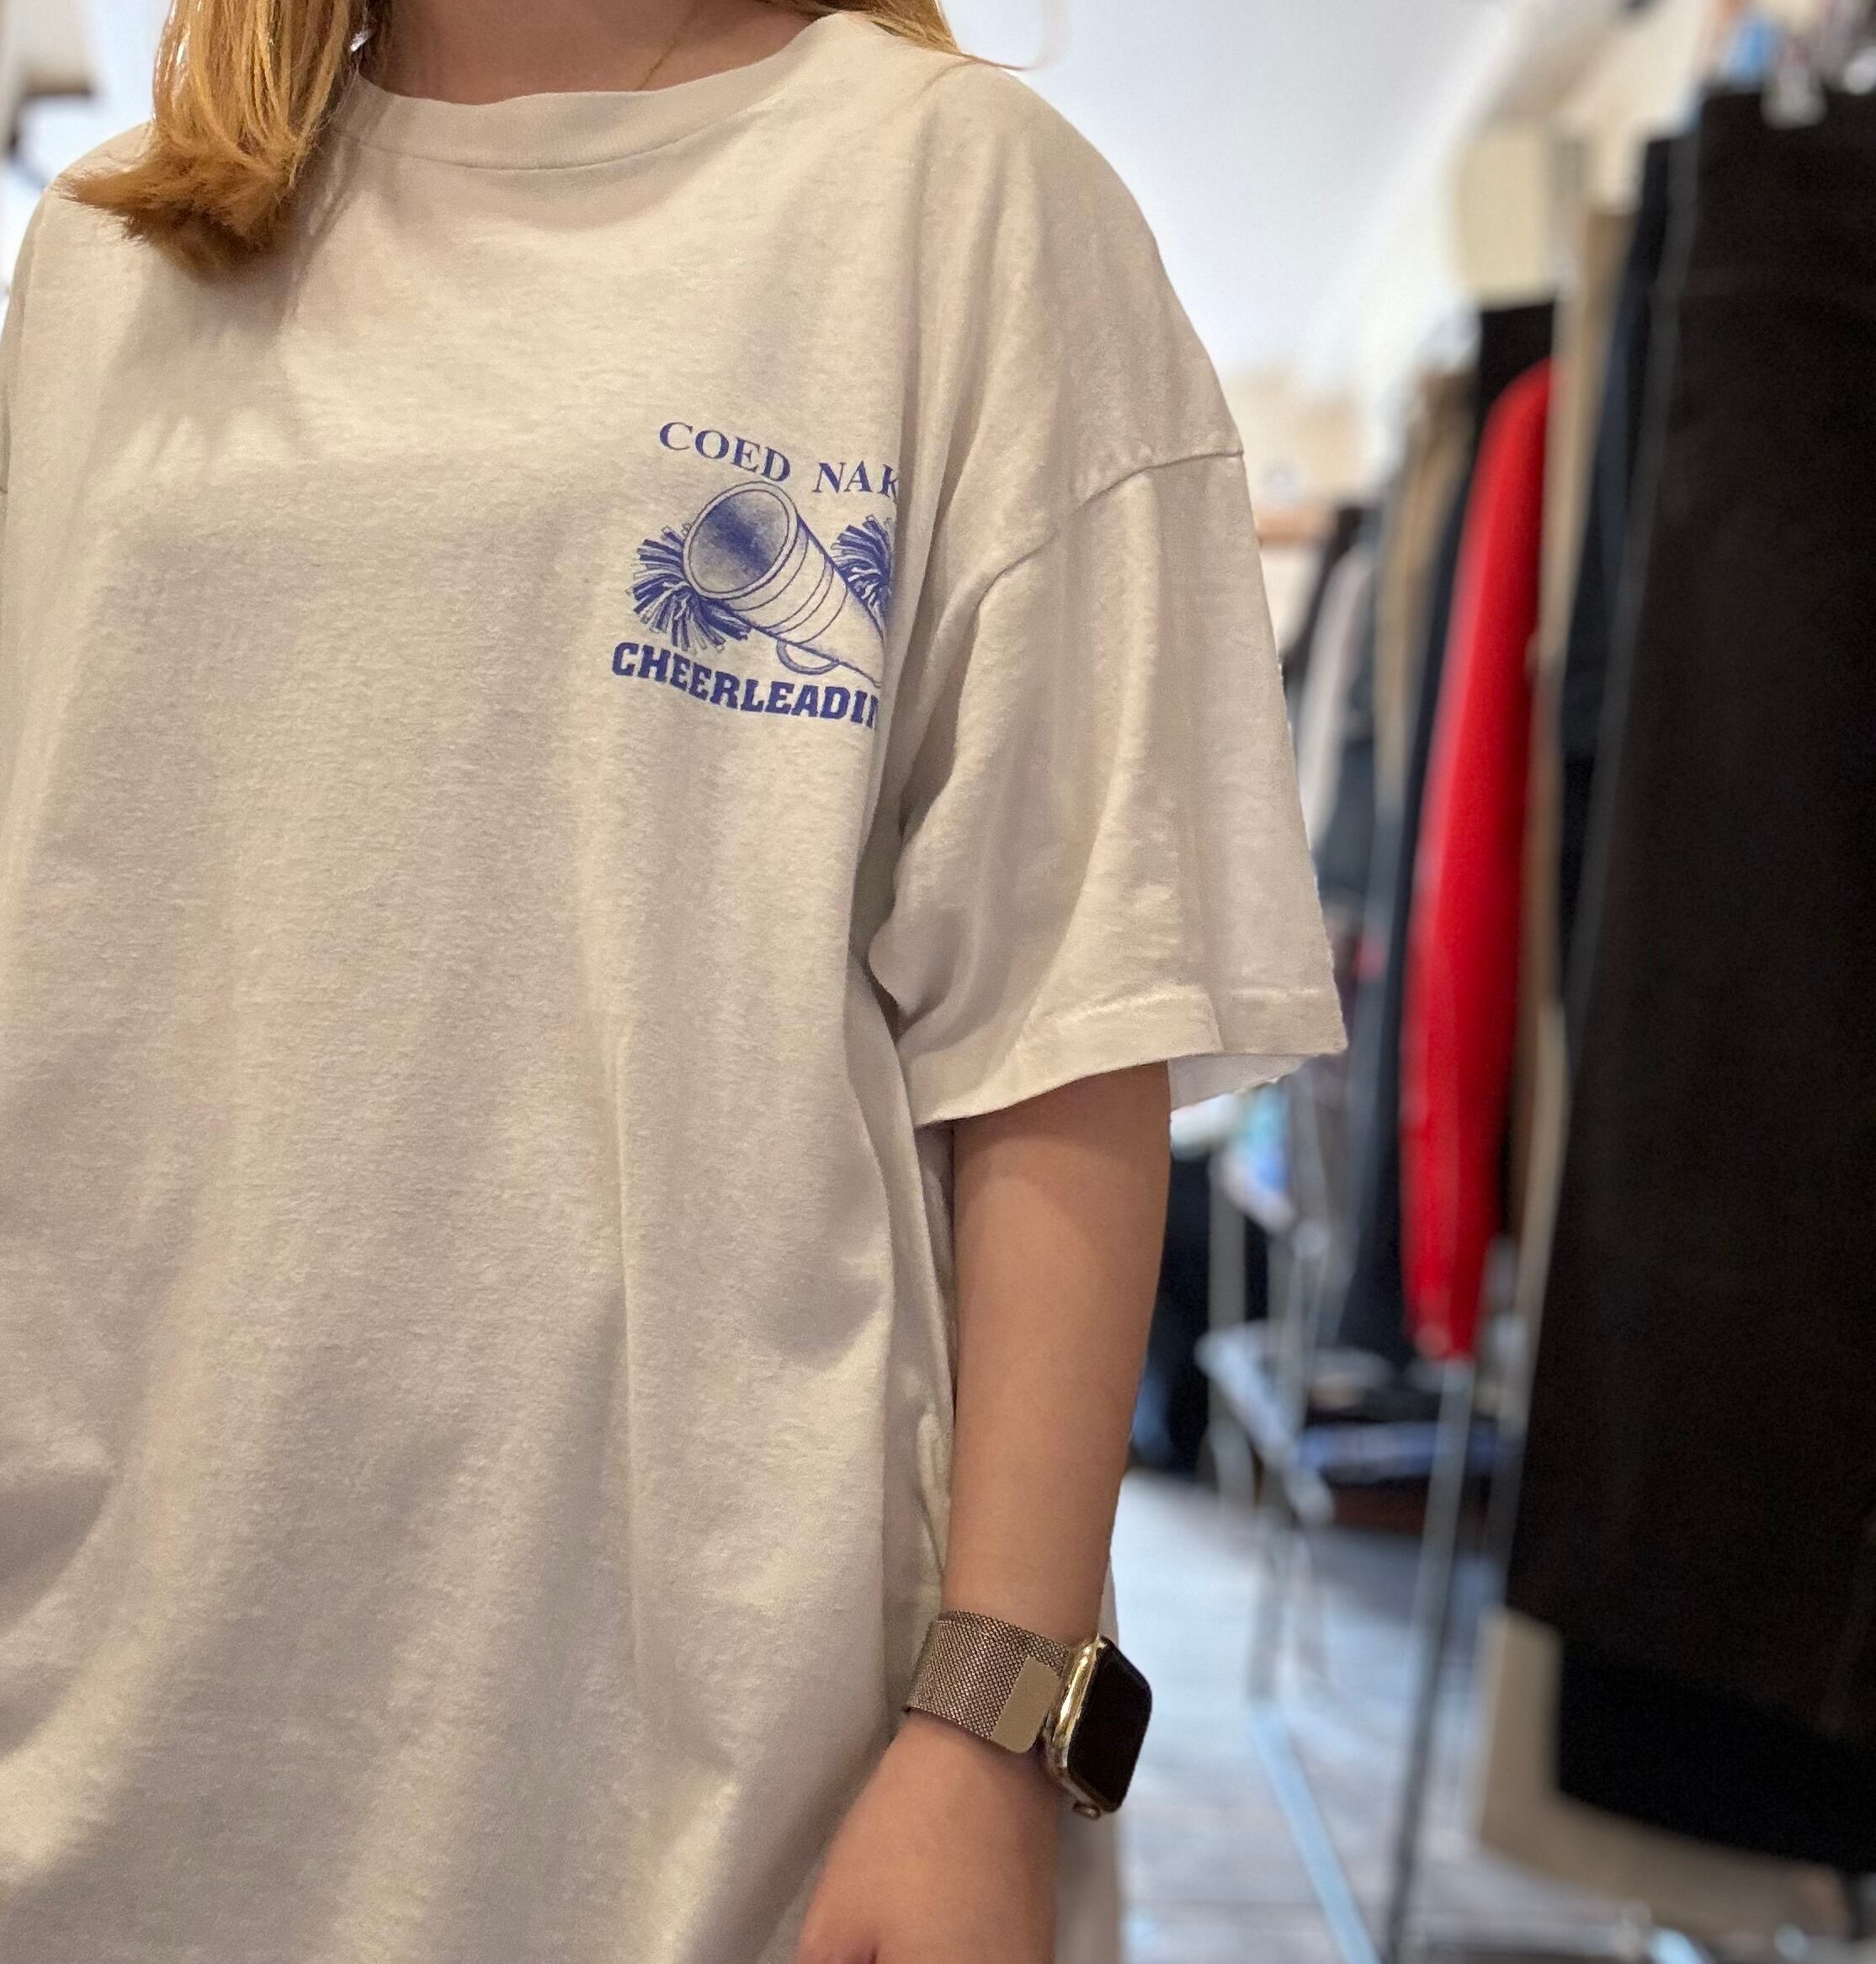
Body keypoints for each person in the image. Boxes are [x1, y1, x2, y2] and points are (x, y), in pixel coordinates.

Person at [0, 2, 1343, 1959]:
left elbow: (1066, 1030)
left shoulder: (954, 202)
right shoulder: (103, 263)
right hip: (98, 1717)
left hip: (717, 1779)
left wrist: (990, 1734)